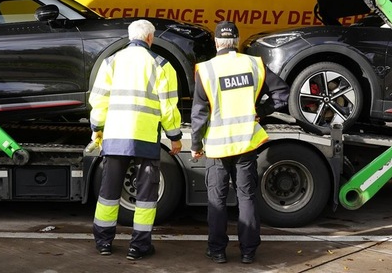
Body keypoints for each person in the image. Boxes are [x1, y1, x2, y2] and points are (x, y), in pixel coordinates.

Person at [191, 21, 289, 264]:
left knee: (217, 199)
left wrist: (195, 144)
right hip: (246, 143)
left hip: (217, 146)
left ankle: (217, 251)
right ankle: (248, 252)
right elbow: (282, 94)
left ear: (216, 43)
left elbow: (199, 114)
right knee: (246, 197)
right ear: (236, 42)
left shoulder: (206, 70)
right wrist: (260, 110)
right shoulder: (253, 64)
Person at [89, 19, 183, 260]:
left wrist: (97, 128)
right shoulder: (162, 64)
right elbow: (169, 108)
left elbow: (99, 100)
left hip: (115, 137)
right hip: (145, 139)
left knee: (109, 192)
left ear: (130, 36)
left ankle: (103, 243)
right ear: (150, 38)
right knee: (145, 197)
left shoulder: (111, 62)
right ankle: (138, 247)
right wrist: (175, 137)